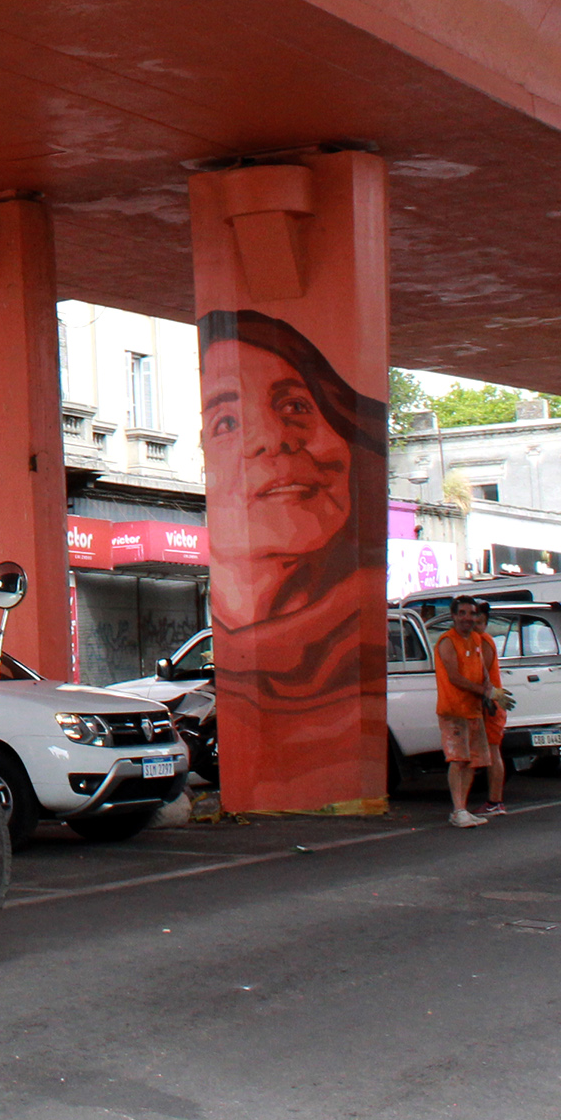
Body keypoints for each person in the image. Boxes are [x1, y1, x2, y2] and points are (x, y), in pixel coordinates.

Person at [197, 311, 388, 809]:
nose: (273, 438)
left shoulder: (362, 628)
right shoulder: (237, 672)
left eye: (297, 405)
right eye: (226, 422)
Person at [434, 598, 512, 828]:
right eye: (463, 613)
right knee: (458, 760)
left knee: (471, 762)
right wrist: (486, 692)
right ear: (454, 616)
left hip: (474, 710)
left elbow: (482, 671)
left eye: (471, 613)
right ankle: (458, 810)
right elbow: (455, 677)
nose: (468, 617)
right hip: (453, 710)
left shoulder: (478, 640)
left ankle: (463, 809)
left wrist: (490, 691)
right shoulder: (447, 641)